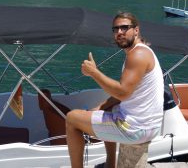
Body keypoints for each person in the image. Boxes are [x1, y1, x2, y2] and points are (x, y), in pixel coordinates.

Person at [66, 12, 164, 168]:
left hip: (136, 128)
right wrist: (102, 106)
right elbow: (125, 94)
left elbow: (123, 93)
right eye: (115, 29)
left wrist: (94, 72)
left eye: (124, 28)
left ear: (136, 30)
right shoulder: (142, 51)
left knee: (72, 119)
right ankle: (111, 164)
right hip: (149, 125)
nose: (119, 32)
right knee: (108, 109)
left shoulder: (137, 54)